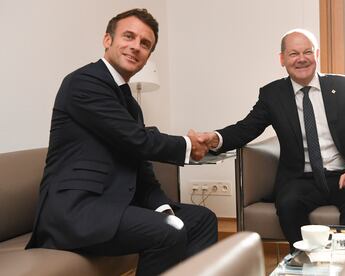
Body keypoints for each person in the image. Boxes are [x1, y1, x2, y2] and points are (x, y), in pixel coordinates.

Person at [26, 8, 217, 276]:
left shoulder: (130, 104)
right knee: (166, 233)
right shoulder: (84, 82)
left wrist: (163, 208)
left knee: (202, 219)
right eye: (129, 36)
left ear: (148, 55)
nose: (136, 47)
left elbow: (141, 169)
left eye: (145, 44)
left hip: (114, 206)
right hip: (76, 210)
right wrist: (188, 145)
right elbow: (137, 140)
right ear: (108, 40)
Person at [200, 29, 345, 250]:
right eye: (293, 54)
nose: (301, 59)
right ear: (282, 59)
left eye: (307, 52)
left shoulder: (344, 87)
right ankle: (307, 262)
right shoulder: (272, 94)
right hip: (301, 179)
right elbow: (246, 128)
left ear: (317, 54)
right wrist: (215, 138)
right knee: (288, 204)